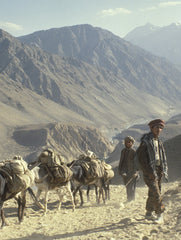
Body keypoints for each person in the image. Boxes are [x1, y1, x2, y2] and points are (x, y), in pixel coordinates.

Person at [136, 119, 168, 224]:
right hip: (149, 172)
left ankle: (149, 213)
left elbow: (161, 157)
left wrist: (162, 170)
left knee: (152, 192)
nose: (158, 130)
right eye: (156, 127)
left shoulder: (158, 141)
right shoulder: (145, 142)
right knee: (156, 193)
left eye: (160, 128)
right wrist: (149, 172)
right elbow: (142, 159)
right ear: (151, 128)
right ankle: (160, 215)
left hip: (158, 170)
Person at [118, 136, 139, 202]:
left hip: (132, 172)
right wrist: (120, 170)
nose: (127, 143)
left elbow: (137, 163)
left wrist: (136, 172)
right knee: (127, 186)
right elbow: (121, 161)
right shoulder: (123, 151)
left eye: (129, 142)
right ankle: (128, 199)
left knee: (131, 187)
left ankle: (132, 200)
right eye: (126, 142)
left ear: (132, 143)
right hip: (125, 172)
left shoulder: (134, 152)